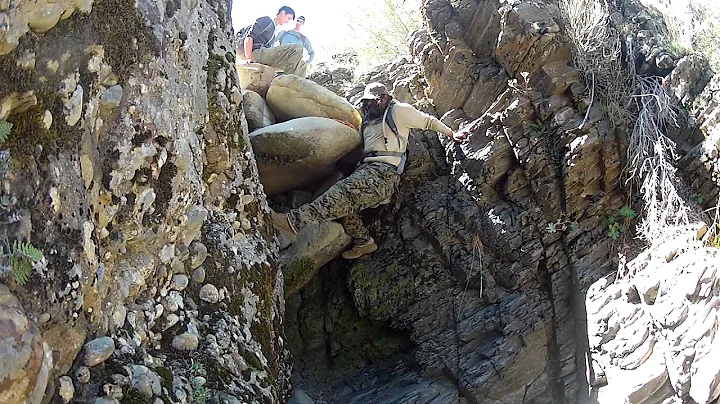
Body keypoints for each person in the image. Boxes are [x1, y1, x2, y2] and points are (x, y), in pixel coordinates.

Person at [272, 82, 467, 260]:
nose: (367, 106)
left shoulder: (399, 111)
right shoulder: (368, 120)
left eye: (370, 102)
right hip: (366, 172)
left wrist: (452, 133)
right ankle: (364, 242)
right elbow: (365, 142)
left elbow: (428, 121)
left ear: (383, 99)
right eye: (365, 103)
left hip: (383, 175)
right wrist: (350, 129)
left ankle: (292, 222)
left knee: (340, 194)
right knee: (344, 207)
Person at [242, 6, 308, 77]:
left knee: (302, 65)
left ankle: (293, 86)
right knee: (297, 48)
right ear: (282, 13)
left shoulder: (274, 31)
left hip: (266, 56)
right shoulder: (267, 20)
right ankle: (288, 80)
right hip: (257, 53)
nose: (288, 21)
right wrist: (248, 58)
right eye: (288, 18)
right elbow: (249, 37)